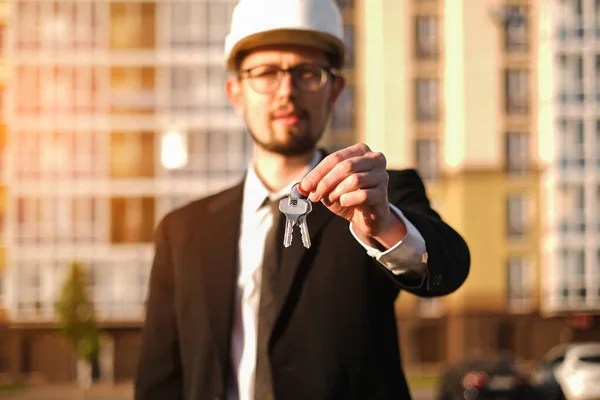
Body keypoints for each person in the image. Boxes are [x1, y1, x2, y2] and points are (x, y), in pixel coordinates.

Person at [134, 0, 470, 399]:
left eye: (307, 73)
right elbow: (159, 380)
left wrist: (384, 225)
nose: (286, 91)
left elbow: (449, 267)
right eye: (265, 73)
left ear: (335, 91)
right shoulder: (181, 232)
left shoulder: (377, 198)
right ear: (235, 92)